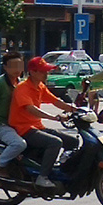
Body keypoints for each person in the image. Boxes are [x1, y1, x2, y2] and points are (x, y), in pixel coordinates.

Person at [9, 57, 78, 188]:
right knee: (55, 142)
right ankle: (42, 176)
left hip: (37, 127)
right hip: (24, 129)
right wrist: (54, 117)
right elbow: (31, 109)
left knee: (72, 142)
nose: (47, 74)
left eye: (47, 71)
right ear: (33, 72)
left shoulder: (40, 86)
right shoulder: (22, 88)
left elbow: (56, 101)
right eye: (43, 71)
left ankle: (60, 168)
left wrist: (76, 110)